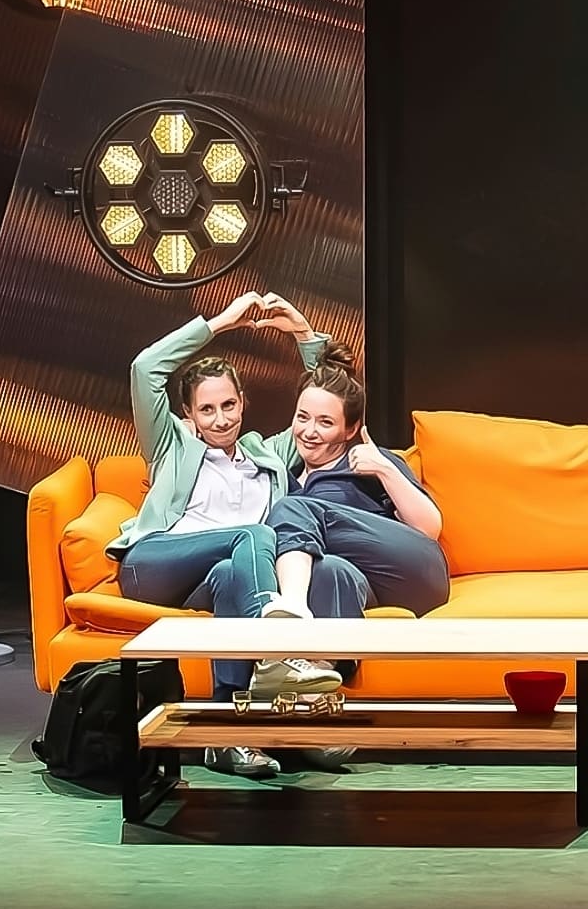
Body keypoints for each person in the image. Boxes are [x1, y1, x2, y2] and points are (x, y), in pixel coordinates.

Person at [108, 291, 344, 778]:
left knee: (233, 570)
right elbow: (144, 369)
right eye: (208, 409)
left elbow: (328, 396)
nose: (221, 419)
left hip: (211, 577)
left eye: (229, 405)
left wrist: (303, 331)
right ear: (189, 414)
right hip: (155, 563)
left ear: (243, 403)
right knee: (251, 537)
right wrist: (221, 322)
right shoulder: (170, 444)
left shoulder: (269, 453)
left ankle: (228, 733)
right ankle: (280, 651)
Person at [260, 343, 451, 640]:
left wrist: (385, 470)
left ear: (350, 430)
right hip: (370, 584)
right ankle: (324, 662)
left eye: (325, 422)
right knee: (330, 570)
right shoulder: (284, 474)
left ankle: (292, 606)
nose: (309, 431)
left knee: (290, 508)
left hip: (415, 569)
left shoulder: (371, 459)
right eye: (302, 417)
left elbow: (430, 528)